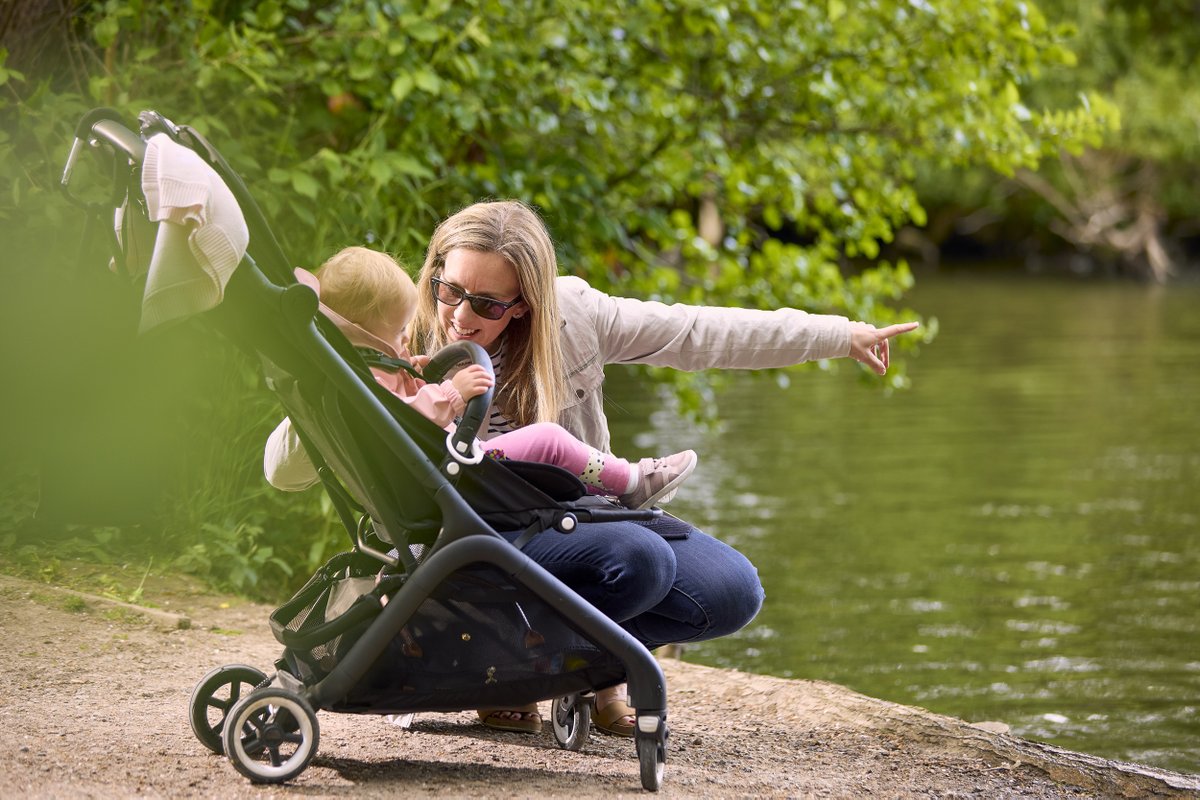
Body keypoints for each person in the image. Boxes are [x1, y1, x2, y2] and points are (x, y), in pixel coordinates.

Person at [265, 201, 918, 737]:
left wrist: (839, 335)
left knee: (730, 589)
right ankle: (534, 682)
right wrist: (326, 395)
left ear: (525, 302)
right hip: (474, 538)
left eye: (489, 305)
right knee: (640, 562)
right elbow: (282, 472)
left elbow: (698, 332)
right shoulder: (403, 338)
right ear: (435, 273)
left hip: (579, 518)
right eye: (450, 289)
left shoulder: (574, 317)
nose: (461, 315)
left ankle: (566, 674)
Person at [272, 246, 697, 510]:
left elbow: (396, 406)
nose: (406, 341)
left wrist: (413, 377)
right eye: (399, 334)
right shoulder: (361, 377)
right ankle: (632, 482)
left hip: (442, 470)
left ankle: (605, 493)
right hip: (456, 473)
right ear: (367, 335)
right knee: (548, 441)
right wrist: (451, 394)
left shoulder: (358, 369)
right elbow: (399, 421)